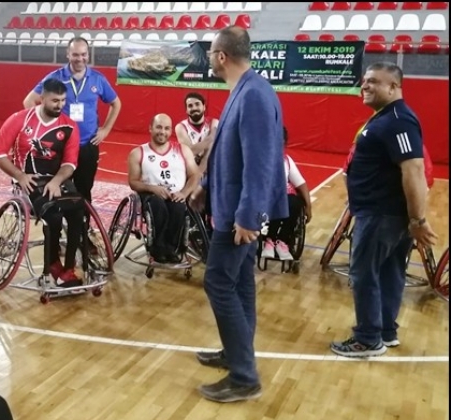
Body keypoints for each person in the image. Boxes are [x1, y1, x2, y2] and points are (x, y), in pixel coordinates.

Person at [193, 26, 288, 403]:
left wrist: (248, 216)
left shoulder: (254, 95)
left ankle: (245, 376)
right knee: (240, 282)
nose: (210, 59)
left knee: (218, 282)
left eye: (211, 53)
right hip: (230, 206)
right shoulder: (245, 89)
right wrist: (205, 186)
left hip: (239, 214)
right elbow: (228, 151)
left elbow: (261, 162)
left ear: (221, 56)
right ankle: (237, 353)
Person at [330, 62, 437, 357]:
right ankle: (386, 331)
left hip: (381, 215)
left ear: (393, 87)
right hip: (383, 214)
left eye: (374, 81)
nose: (365, 85)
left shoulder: (398, 120)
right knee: (390, 272)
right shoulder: (385, 117)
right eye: (365, 80)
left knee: (364, 274)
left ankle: (367, 339)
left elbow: (414, 169)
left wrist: (418, 219)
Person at [0, 78, 85, 287]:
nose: (59, 105)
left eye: (63, 100)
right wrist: (20, 176)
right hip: (28, 180)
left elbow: (70, 163)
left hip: (57, 179)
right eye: (55, 101)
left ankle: (69, 268)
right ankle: (52, 264)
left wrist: (57, 180)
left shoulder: (69, 126)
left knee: (78, 212)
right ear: (42, 98)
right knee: (53, 216)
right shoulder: (19, 119)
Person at [22, 36, 122, 203]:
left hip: (88, 145)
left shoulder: (97, 79)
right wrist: (43, 129)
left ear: (88, 54)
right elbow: (29, 101)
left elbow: (116, 103)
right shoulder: (55, 78)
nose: (80, 59)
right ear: (68, 54)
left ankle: (82, 220)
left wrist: (106, 130)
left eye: (83, 54)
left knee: (84, 190)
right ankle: (58, 219)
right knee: (58, 189)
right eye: (75, 54)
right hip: (61, 145)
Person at [127, 114, 200, 264]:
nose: (162, 131)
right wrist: (152, 188)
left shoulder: (183, 150)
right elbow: (133, 182)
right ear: (150, 128)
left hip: (176, 194)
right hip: (151, 195)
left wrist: (184, 193)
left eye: (167, 128)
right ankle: (158, 248)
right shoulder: (138, 153)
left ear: (171, 131)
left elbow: (195, 174)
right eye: (159, 127)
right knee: (158, 206)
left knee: (178, 207)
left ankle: (172, 249)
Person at [260, 127, 313, 261]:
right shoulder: (260, 159)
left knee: (295, 202)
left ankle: (282, 240)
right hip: (263, 197)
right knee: (277, 201)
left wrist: (308, 206)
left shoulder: (287, 161)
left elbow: (301, 184)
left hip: (281, 198)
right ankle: (269, 240)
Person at [174, 92, 219, 174]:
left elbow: (210, 152)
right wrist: (211, 138)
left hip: (211, 169)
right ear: (186, 110)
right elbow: (190, 151)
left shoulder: (214, 122)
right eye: (190, 106)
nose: (194, 108)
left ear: (204, 107)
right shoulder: (180, 127)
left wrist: (201, 169)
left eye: (197, 104)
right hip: (190, 171)